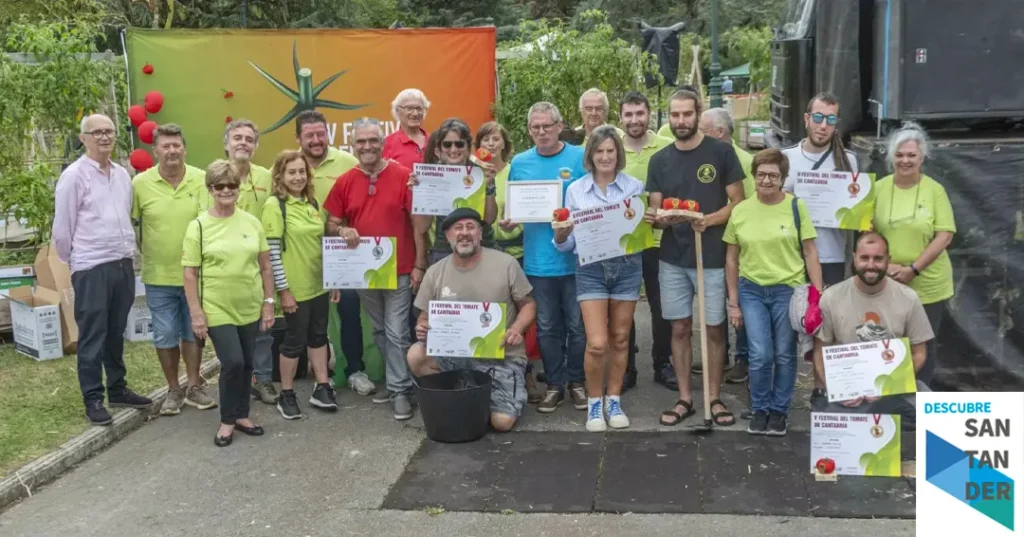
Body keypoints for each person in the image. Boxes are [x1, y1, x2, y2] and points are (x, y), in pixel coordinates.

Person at [646, 87, 745, 427]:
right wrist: (659, 218)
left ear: (698, 113)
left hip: (712, 256)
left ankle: (713, 398)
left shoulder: (721, 152)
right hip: (673, 257)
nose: (681, 120)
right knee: (679, 328)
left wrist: (709, 220)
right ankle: (685, 398)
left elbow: (738, 202)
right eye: (675, 115)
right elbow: (656, 207)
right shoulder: (660, 160)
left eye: (687, 114)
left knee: (714, 329)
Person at [324, 117, 429, 420]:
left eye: (373, 140)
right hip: (364, 272)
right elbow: (331, 223)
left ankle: (399, 390)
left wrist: (420, 265)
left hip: (401, 268)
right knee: (381, 329)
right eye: (361, 141)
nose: (367, 146)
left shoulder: (404, 176)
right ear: (353, 145)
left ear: (383, 143)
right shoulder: (345, 181)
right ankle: (400, 382)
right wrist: (342, 230)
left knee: (396, 331)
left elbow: (419, 226)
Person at [53, 114, 153, 426]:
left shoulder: (122, 175)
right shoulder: (74, 176)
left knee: (115, 330)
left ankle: (118, 389)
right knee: (93, 334)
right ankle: (93, 398)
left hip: (122, 262)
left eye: (109, 131)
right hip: (92, 266)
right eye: (96, 132)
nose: (104, 137)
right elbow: (62, 229)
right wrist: (76, 261)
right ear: (83, 138)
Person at [407, 208, 537, 432]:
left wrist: (517, 328)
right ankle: (465, 394)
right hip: (455, 356)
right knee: (416, 355)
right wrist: (422, 327)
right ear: (447, 235)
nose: (464, 233)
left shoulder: (505, 263)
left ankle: (510, 383)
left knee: (502, 423)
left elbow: (528, 305)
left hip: (501, 356)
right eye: (458, 228)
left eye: (470, 227)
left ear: (480, 233)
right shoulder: (435, 271)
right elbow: (424, 316)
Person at [724, 149, 823, 436]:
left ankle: (779, 411)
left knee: (784, 354)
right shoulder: (741, 210)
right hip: (751, 289)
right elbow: (731, 259)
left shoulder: (796, 207)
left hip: (787, 290)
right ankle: (759, 408)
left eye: (773, 175)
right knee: (760, 354)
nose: (766, 180)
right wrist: (733, 303)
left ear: (783, 178)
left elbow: (810, 251)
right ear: (753, 176)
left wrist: (817, 297)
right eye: (761, 175)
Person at [553, 126, 646, 432]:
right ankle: (595, 403)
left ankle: (613, 399)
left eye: (610, 151)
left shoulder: (634, 186)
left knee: (620, 338)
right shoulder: (575, 190)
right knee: (596, 343)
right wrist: (561, 235)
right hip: (590, 268)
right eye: (599, 151)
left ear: (618, 154)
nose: (605, 157)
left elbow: (639, 231)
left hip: (627, 266)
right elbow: (568, 243)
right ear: (590, 155)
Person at [182, 160, 276, 447]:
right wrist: (196, 313)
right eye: (219, 186)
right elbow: (190, 273)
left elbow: (266, 267)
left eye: (232, 185)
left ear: (239, 188)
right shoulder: (198, 226)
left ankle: (242, 415)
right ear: (210, 189)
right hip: (216, 308)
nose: (226, 190)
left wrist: (268, 302)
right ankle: (227, 420)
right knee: (233, 361)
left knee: (247, 363)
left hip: (250, 304)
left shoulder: (252, 222)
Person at [503, 102, 588, 413]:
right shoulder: (520, 162)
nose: (541, 131)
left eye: (547, 126)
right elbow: (513, 208)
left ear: (559, 126)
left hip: (577, 259)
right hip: (539, 262)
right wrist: (510, 221)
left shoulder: (580, 157)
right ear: (529, 131)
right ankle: (554, 384)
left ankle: (577, 382)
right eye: (535, 127)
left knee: (578, 327)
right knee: (548, 327)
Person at [131, 123, 216, 416]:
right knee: (165, 334)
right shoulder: (140, 184)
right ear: (155, 150)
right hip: (158, 276)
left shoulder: (201, 179)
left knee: (194, 330)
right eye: (165, 146)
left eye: (176, 145)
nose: (172, 151)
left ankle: (193, 385)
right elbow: (133, 226)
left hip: (196, 274)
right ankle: (173, 389)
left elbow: (211, 222)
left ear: (185, 149)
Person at [781, 92, 860, 404]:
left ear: (836, 124)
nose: (823, 125)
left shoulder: (848, 160)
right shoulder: (786, 157)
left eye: (830, 119)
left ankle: (820, 388)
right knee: (787, 326)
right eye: (818, 117)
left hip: (830, 255)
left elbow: (855, 212)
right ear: (806, 119)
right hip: (789, 256)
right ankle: (781, 393)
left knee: (825, 326)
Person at [812, 232, 933, 428]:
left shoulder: (908, 298)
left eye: (878, 258)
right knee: (830, 428)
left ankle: (889, 433)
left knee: (936, 417)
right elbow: (819, 350)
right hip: (850, 390)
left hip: (894, 386)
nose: (871, 265)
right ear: (854, 259)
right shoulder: (831, 297)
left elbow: (919, 353)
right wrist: (836, 388)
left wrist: (889, 385)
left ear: (888, 260)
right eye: (864, 258)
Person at [294, 110, 374, 396]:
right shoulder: (291, 164)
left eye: (321, 134)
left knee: (348, 309)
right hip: (303, 254)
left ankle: (355, 370)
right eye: (309, 135)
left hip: (343, 251)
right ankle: (320, 375)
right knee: (310, 317)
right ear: (298, 138)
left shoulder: (348, 162)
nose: (316, 140)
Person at [872, 122, 955, 388]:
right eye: (899, 155)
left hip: (928, 284)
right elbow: (867, 233)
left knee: (923, 345)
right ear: (891, 157)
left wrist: (913, 269)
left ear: (922, 158)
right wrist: (884, 266)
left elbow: (945, 235)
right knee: (887, 342)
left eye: (911, 155)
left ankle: (917, 400)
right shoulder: (878, 189)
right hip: (887, 281)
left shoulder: (935, 190)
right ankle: (890, 397)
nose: (905, 160)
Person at [261, 150, 342, 419]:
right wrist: (283, 291)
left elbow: (321, 246)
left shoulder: (312, 203)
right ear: (280, 176)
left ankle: (322, 387)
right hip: (295, 290)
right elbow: (272, 253)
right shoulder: (275, 205)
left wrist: (332, 279)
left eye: (302, 172)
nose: (298, 177)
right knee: (294, 342)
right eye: (291, 172)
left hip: (318, 286)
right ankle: (287, 393)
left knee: (318, 337)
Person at [477, 121, 544, 403]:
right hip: (486, 251)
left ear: (505, 142)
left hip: (518, 249)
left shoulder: (516, 170)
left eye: (496, 138)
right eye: (485, 139)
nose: (491, 144)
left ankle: (525, 370)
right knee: (495, 312)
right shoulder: (471, 173)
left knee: (524, 312)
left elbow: (531, 204)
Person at [619, 91, 675, 392]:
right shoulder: (612, 149)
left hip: (658, 238)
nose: (634, 120)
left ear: (649, 114)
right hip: (623, 241)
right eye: (628, 114)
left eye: (639, 113)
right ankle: (626, 367)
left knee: (661, 305)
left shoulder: (666, 147)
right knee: (625, 306)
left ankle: (662, 363)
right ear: (620, 118)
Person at [222, 119, 279, 405]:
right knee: (229, 327)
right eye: (237, 138)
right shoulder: (214, 176)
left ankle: (264, 379)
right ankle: (237, 380)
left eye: (248, 139)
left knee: (263, 326)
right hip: (225, 265)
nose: (243, 143)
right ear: (226, 144)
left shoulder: (267, 178)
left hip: (259, 264)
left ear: (255, 147)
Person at [698, 107, 755, 386]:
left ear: (719, 132)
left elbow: (749, 204)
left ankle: (743, 357)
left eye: (703, 130)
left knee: (739, 300)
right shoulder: (703, 158)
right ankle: (718, 354)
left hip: (737, 242)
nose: (698, 135)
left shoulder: (745, 161)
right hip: (710, 240)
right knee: (715, 301)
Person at [418, 118, 498, 267]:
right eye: (447, 144)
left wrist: (489, 186)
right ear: (438, 150)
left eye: (459, 144)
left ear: (468, 148)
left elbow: (489, 219)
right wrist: (421, 194)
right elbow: (422, 227)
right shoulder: (431, 176)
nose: (453, 150)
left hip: (482, 246)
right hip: (445, 249)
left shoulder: (481, 172)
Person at [382, 88, 431, 170]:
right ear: (397, 110)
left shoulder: (435, 142)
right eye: (409, 108)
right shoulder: (386, 144)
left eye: (419, 109)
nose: (415, 113)